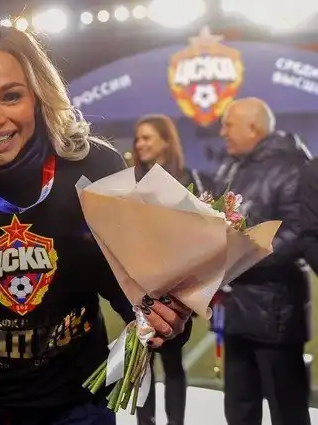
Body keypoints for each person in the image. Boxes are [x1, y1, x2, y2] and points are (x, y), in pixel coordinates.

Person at [0, 24, 192, 425]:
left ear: (38, 97)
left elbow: (137, 298)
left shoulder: (94, 166)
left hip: (76, 407)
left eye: (11, 96)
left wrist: (166, 316)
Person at [215, 97, 311, 425]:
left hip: (275, 312)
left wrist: (242, 257)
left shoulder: (293, 167)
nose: (222, 132)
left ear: (253, 128)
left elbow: (298, 234)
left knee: (287, 411)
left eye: (228, 125)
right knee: (239, 409)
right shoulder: (233, 166)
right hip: (236, 308)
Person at [132, 114, 211, 425]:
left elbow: (206, 232)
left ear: (166, 141)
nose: (139, 144)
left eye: (147, 137)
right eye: (137, 138)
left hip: (177, 290)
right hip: (140, 287)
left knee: (173, 360)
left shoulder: (188, 178)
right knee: (142, 362)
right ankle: (145, 421)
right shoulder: (133, 183)